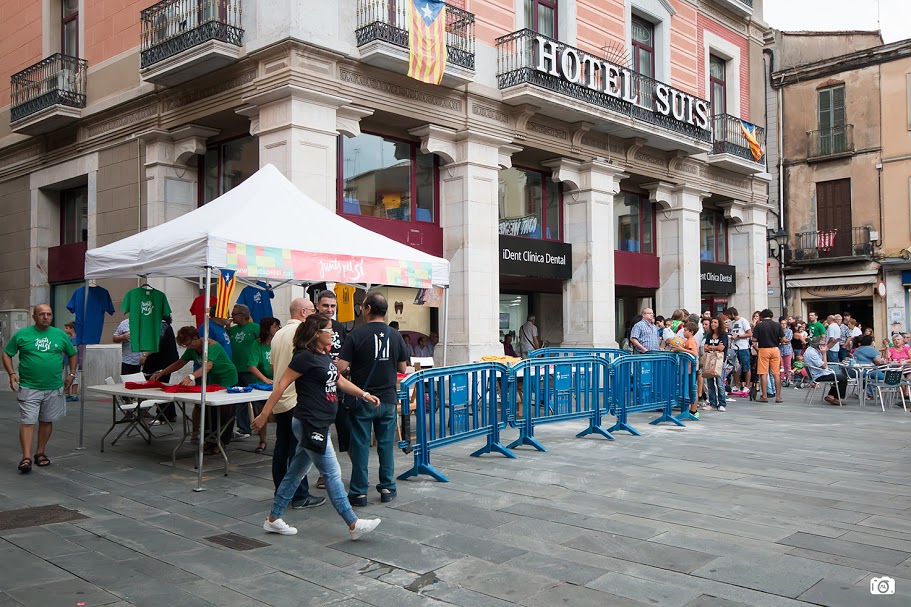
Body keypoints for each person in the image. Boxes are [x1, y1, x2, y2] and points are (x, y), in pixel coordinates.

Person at [251, 314, 382, 540]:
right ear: (316, 333)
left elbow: (339, 380)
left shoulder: (324, 355)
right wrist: (264, 414)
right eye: (328, 330)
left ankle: (273, 519)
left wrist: (364, 394)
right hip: (309, 423)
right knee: (332, 472)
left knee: (296, 472)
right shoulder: (303, 357)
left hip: (319, 422)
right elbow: (281, 385)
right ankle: (353, 523)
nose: (332, 333)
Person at [337, 293, 409, 506]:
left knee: (360, 445)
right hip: (387, 397)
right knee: (386, 445)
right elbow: (402, 368)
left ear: (367, 309)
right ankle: (387, 487)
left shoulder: (356, 336)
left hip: (364, 396)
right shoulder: (395, 335)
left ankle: (359, 492)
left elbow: (340, 368)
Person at [3, 305, 78, 473]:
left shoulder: (59, 334)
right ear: (34, 316)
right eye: (42, 314)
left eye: (49, 314)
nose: (46, 317)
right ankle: (26, 457)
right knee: (28, 421)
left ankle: (40, 453)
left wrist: (72, 374)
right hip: (29, 386)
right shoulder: (22, 335)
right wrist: (11, 373)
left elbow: (72, 353)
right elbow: (7, 353)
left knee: (46, 420)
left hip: (54, 387)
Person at [268, 298, 325, 510]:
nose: (315, 313)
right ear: (303, 312)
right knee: (298, 451)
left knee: (282, 447)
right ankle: (299, 494)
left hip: (281, 397)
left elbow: (274, 366)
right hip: (297, 397)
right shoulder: (303, 333)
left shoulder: (278, 334)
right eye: (312, 310)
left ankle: (280, 490)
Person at [150, 326, 239, 454]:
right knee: (208, 410)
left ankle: (221, 442)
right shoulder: (192, 349)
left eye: (189, 344)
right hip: (211, 380)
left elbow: (208, 365)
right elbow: (179, 363)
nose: (188, 347)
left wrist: (191, 376)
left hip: (227, 378)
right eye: (185, 346)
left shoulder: (212, 346)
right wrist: (161, 373)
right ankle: (209, 439)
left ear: (196, 338)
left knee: (224, 412)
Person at [317, 288, 351, 489]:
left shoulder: (339, 327)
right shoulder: (310, 327)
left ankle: (358, 472)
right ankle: (323, 475)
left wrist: (344, 364)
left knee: (346, 429)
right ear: (317, 306)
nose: (329, 309)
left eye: (332, 306)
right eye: (326, 305)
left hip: (339, 385)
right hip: (318, 387)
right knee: (322, 431)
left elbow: (348, 354)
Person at [248, 316, 281, 453]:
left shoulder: (280, 342)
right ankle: (262, 441)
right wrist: (265, 379)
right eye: (275, 326)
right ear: (267, 330)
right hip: (263, 384)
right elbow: (251, 366)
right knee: (263, 412)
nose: (278, 329)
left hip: (280, 381)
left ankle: (282, 441)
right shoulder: (257, 344)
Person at [141, 315, 180, 424]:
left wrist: (145, 355)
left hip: (161, 363)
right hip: (164, 362)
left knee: (160, 388)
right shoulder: (163, 325)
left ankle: (163, 415)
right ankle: (170, 414)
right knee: (163, 387)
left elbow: (156, 343)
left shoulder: (161, 325)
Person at [229, 304, 260, 439]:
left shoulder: (255, 328)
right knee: (238, 400)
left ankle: (258, 425)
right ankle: (243, 428)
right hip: (235, 368)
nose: (232, 316)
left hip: (250, 369)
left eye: (235, 314)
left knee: (254, 399)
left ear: (243, 315)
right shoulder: (231, 330)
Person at [803, 337, 847, 406]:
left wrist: (834, 342)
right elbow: (823, 366)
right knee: (843, 379)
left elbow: (827, 347)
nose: (824, 346)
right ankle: (838, 398)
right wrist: (824, 354)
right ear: (818, 345)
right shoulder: (812, 353)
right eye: (823, 344)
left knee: (837, 375)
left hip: (822, 372)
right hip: (818, 375)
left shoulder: (816, 349)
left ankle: (831, 395)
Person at [670, 321, 700, 418]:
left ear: (691, 332)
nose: (683, 332)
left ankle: (693, 410)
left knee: (692, 389)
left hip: (690, 370)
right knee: (689, 389)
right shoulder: (687, 341)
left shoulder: (691, 341)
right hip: (686, 370)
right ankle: (690, 409)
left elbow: (694, 353)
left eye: (685, 330)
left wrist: (681, 350)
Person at [754, 309, 784, 403]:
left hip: (763, 349)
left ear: (762, 316)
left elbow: (754, 341)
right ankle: (778, 397)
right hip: (775, 349)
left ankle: (764, 396)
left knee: (763, 373)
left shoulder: (759, 325)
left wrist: (757, 350)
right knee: (776, 374)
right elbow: (783, 339)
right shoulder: (777, 325)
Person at [703, 316, 728, 412]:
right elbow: (705, 347)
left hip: (719, 361)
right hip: (709, 361)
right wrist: (715, 347)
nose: (713, 324)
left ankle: (722, 403)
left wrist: (711, 347)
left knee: (719, 382)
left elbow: (722, 348)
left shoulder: (723, 335)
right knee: (710, 382)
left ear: (719, 324)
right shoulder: (709, 335)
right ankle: (712, 403)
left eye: (715, 322)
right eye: (712, 322)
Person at [727, 307, 752, 396]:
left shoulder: (743, 321)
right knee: (735, 367)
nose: (729, 317)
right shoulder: (732, 323)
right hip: (734, 347)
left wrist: (738, 336)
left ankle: (747, 386)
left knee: (746, 366)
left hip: (743, 347)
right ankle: (737, 385)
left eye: (729, 315)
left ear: (732, 314)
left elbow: (749, 333)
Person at [63, 322, 79, 402]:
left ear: (72, 328)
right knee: (67, 377)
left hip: (72, 362)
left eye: (67, 328)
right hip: (67, 361)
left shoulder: (74, 338)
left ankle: (74, 394)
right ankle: (67, 394)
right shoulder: (70, 338)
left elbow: (74, 351)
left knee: (73, 377)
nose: (65, 330)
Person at [779, 316, 794, 387]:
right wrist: (782, 341)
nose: (783, 325)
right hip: (779, 350)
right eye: (782, 323)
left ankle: (789, 378)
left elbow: (788, 340)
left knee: (788, 365)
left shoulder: (789, 331)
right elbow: (778, 340)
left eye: (784, 323)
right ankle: (781, 379)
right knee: (781, 366)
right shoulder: (778, 331)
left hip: (787, 350)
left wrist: (782, 341)